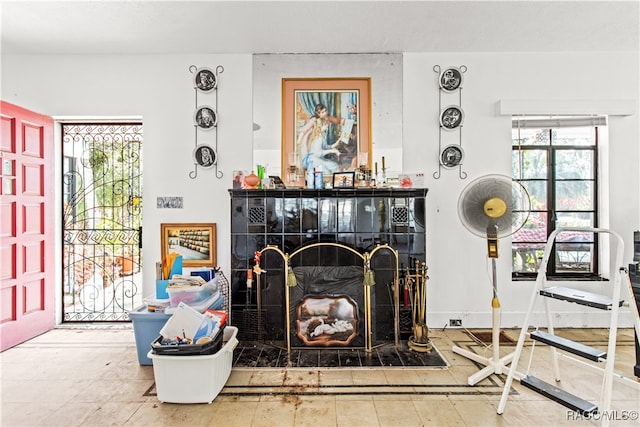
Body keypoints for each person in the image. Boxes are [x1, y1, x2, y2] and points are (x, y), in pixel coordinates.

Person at [296, 104, 344, 175]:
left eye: (325, 111)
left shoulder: (323, 135)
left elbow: (325, 146)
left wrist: (336, 144)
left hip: (318, 156)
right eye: (322, 112)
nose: (327, 125)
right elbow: (318, 153)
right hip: (314, 158)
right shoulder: (317, 132)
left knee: (334, 166)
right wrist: (299, 141)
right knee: (326, 171)